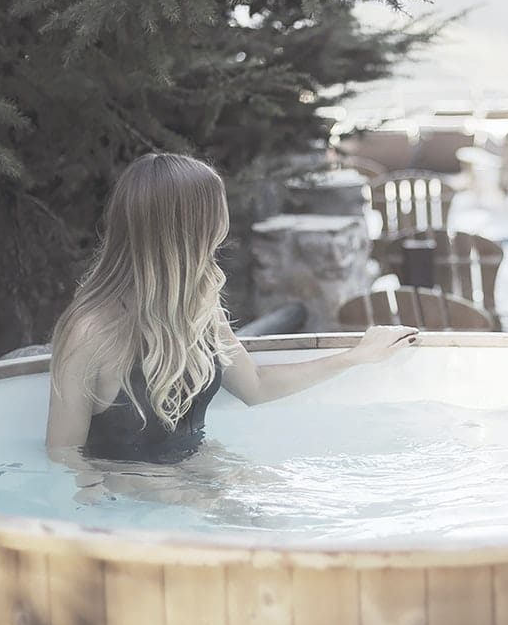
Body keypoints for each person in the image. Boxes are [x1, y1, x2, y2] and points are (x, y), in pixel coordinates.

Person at [46, 152, 416, 485]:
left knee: (289, 495)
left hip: (194, 471)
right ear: (186, 231)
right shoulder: (91, 330)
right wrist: (146, 487)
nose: (222, 226)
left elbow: (254, 386)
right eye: (215, 213)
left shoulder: (198, 308)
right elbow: (63, 455)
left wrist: (356, 356)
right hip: (133, 498)